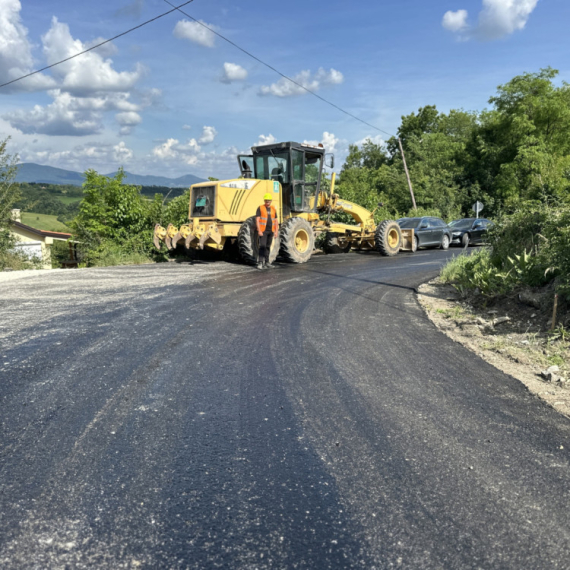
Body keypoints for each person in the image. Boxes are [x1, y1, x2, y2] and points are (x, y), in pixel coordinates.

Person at [255, 193, 279, 270]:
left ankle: (267, 262)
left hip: (271, 231)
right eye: (266, 200)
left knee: (268, 247)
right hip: (263, 231)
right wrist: (259, 230)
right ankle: (260, 263)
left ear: (271, 201)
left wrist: (276, 232)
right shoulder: (260, 208)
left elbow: (275, 221)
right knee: (262, 246)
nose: (267, 202)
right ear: (264, 201)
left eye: (269, 200)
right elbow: (257, 220)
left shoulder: (273, 209)